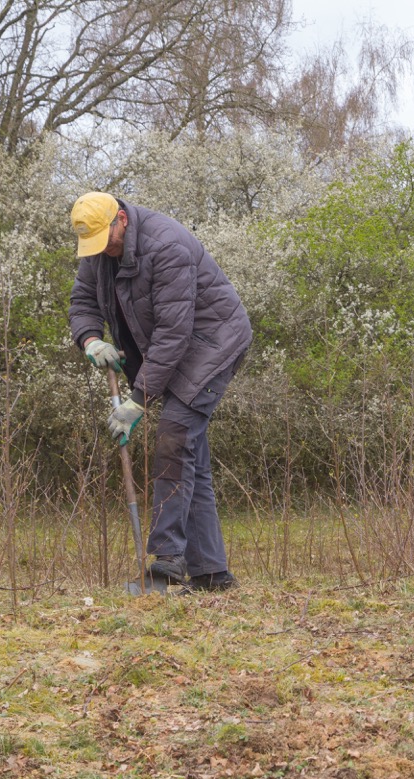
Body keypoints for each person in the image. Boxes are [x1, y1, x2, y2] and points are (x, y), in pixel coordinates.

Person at [68, 192, 253, 591]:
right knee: (189, 454)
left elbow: (173, 333)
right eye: (95, 245)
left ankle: (166, 564)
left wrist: (138, 401)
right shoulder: (99, 250)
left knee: (174, 435)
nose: (104, 250)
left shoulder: (166, 246)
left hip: (211, 342)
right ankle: (211, 573)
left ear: (122, 219)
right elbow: (82, 300)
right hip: (172, 349)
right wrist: (89, 340)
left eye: (108, 239)